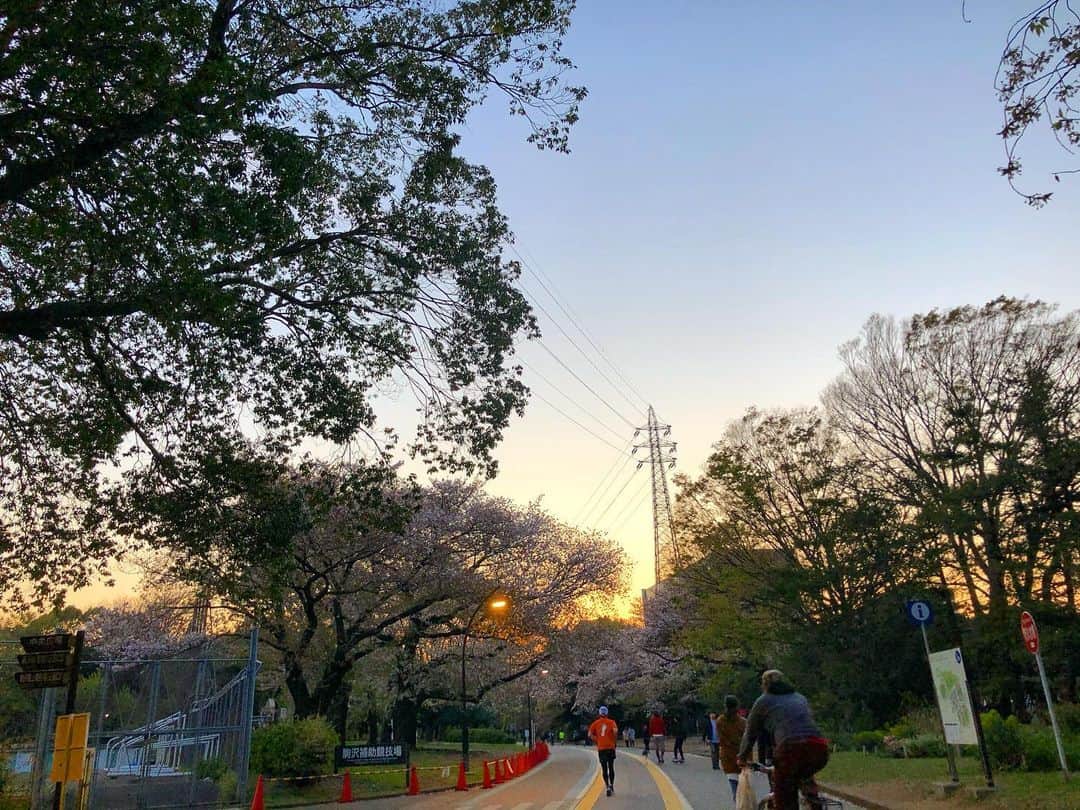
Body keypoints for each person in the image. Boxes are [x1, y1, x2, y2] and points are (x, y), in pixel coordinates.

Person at [738, 670, 829, 810]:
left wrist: (742, 757)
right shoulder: (800, 697)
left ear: (765, 684)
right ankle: (813, 800)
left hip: (790, 749)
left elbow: (750, 733)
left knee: (784, 796)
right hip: (819, 748)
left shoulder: (763, 700)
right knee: (804, 775)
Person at [717, 695, 747, 800]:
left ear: (725, 706)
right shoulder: (743, 722)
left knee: (736, 790)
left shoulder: (720, 721)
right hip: (743, 758)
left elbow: (723, 741)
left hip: (728, 758)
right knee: (744, 791)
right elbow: (747, 740)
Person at [587, 705, 619, 797]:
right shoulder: (612, 722)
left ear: (600, 713)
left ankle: (607, 786)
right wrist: (614, 740)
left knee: (604, 768)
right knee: (611, 766)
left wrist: (597, 740)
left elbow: (589, 734)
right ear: (607, 713)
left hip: (601, 748)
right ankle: (612, 785)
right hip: (610, 747)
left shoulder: (595, 723)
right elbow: (615, 731)